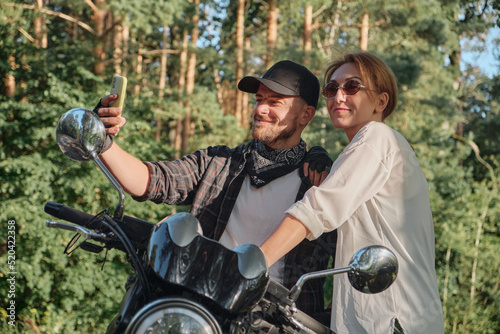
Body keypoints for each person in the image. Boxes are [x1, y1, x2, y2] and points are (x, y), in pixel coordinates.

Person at [94, 60, 337, 322]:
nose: (260, 109)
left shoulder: (321, 183)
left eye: (274, 102)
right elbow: (151, 180)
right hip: (202, 308)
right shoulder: (218, 162)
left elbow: (354, 253)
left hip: (276, 322)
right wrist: (102, 139)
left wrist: (331, 318)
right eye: (258, 99)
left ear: (306, 115)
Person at [260, 52, 445, 333]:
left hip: (392, 320)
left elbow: (318, 210)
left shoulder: (377, 137)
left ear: (381, 101)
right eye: (332, 89)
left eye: (352, 86)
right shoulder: (368, 150)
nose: (339, 96)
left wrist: (250, 263)